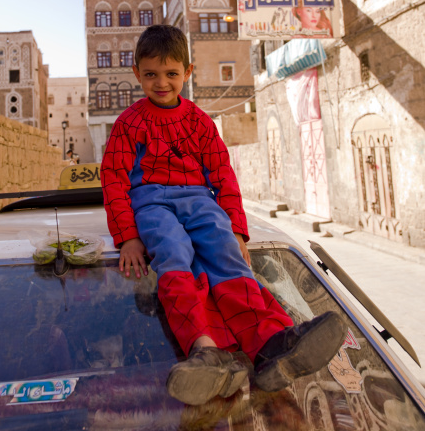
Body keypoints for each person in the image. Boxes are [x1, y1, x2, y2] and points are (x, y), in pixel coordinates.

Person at [101, 24, 346, 405]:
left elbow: (223, 176)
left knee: (227, 256)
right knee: (173, 254)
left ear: (188, 72)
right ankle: (205, 350)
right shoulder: (129, 124)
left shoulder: (199, 122)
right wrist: (129, 237)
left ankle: (275, 342)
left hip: (200, 201)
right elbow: (114, 180)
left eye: (171, 74)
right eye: (150, 74)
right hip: (151, 203)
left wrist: (237, 231)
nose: (161, 83)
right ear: (136, 74)